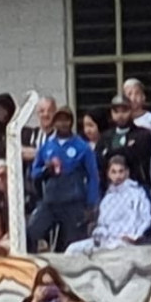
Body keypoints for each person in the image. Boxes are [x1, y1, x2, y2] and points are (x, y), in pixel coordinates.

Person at [27, 104, 97, 251]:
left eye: (66, 120)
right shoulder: (47, 146)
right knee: (31, 231)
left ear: (71, 122)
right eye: (59, 120)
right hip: (51, 200)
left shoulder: (82, 146)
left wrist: (91, 204)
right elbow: (34, 172)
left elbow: (93, 176)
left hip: (73, 202)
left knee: (72, 244)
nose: (63, 124)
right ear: (54, 122)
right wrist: (46, 170)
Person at [68, 153, 151, 252]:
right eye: (114, 172)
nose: (118, 176)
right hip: (105, 240)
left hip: (126, 240)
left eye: (121, 171)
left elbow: (146, 218)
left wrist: (135, 236)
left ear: (127, 172)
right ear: (108, 174)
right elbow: (102, 223)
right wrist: (98, 234)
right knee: (73, 249)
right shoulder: (107, 198)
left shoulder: (138, 193)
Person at [97, 94, 151, 189]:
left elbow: (137, 157)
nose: (120, 115)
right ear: (111, 113)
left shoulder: (143, 134)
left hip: (137, 186)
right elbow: (99, 160)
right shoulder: (105, 136)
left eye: (124, 111)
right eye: (116, 111)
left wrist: (109, 152)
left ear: (131, 111)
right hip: (109, 188)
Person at [123, 78, 151, 164]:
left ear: (143, 97)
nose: (133, 98)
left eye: (137, 94)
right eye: (129, 94)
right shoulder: (121, 121)